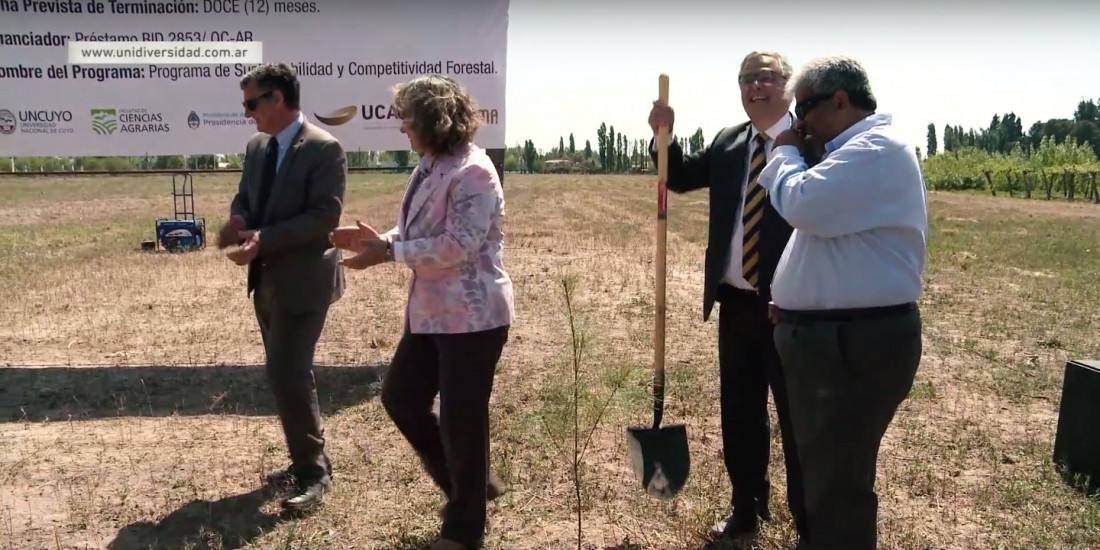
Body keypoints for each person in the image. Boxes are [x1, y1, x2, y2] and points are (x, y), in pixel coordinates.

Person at [329, 75, 513, 550]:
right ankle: (468, 489)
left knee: (461, 421)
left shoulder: (475, 171)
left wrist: (390, 253)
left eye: (406, 118)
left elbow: (459, 245)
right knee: (401, 399)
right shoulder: (430, 165)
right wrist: (381, 240)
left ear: (433, 120)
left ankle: (464, 529)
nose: (401, 129)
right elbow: (417, 229)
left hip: (473, 317)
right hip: (432, 312)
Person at [759, 55, 928, 550]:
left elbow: (806, 206)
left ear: (839, 100)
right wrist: (797, 301)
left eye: (803, 112)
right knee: (828, 474)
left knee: (838, 484)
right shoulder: (851, 154)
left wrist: (782, 154)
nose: (799, 126)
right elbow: (834, 240)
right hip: (836, 337)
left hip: (852, 343)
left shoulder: (875, 148)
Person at [647, 50, 809, 545]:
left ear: (788, 84)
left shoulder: (811, 141)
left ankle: (810, 520)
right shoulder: (728, 142)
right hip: (737, 304)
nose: (755, 86)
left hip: (794, 308)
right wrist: (664, 137)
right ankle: (746, 507)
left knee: (798, 418)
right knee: (739, 412)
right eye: (747, 79)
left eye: (766, 77)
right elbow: (678, 177)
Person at [218, 62, 347, 511]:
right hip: (266, 281)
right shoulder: (258, 147)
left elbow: (323, 219)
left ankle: (314, 474)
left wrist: (265, 238)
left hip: (305, 282)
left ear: (277, 98)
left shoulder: (324, 148)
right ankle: (306, 461)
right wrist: (238, 220)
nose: (248, 113)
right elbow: (246, 197)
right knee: (284, 373)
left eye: (252, 103)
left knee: (288, 372)